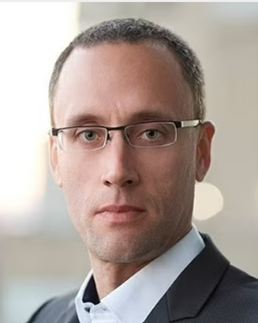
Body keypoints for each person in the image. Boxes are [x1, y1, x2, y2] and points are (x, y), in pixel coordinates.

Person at [26, 18, 258, 323]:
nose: (117, 170)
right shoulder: (45, 317)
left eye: (151, 133)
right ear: (55, 159)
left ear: (201, 151)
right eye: (88, 134)